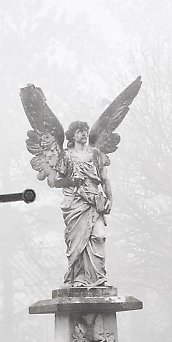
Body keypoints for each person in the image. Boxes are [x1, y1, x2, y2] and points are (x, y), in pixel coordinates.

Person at [56, 120, 113, 287]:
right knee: (78, 242)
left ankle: (97, 277)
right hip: (76, 203)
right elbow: (57, 181)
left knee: (99, 236)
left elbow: (104, 178)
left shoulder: (95, 154)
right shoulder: (66, 156)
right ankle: (79, 278)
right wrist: (72, 180)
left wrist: (110, 199)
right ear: (73, 135)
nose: (84, 133)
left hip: (95, 202)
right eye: (80, 131)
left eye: (85, 131)